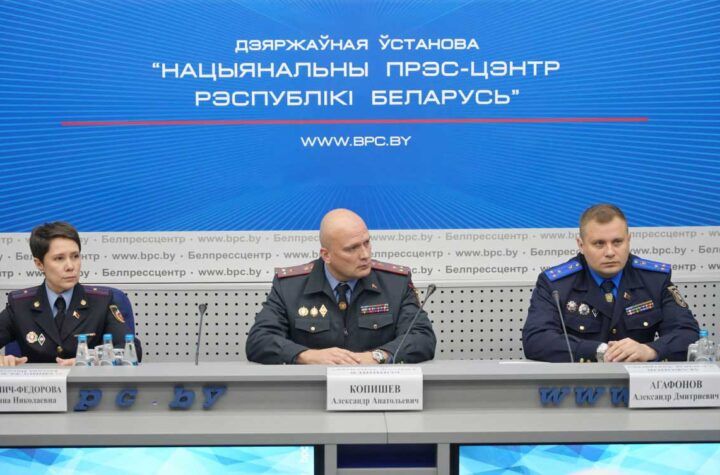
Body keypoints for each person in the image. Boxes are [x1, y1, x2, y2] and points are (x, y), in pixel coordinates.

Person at [246, 209, 436, 364]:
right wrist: (308, 356)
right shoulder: (289, 286)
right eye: (352, 248)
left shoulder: (395, 283)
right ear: (326, 255)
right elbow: (259, 340)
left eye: (366, 243)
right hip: (312, 389)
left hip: (378, 388)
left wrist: (378, 356)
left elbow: (422, 337)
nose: (365, 255)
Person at [523, 204, 699, 363]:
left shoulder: (654, 280)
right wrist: (599, 351)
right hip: (580, 384)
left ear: (628, 240)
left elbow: (687, 333)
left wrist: (649, 350)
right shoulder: (556, 285)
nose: (610, 252)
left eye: (617, 242)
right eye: (599, 244)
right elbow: (536, 340)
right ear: (581, 245)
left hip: (640, 382)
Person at [0, 222, 133, 366]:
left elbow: (131, 349)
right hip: (40, 381)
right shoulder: (20, 305)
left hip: (86, 380)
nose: (70, 266)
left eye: (75, 256)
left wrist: (92, 359)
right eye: (59, 258)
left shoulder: (102, 301)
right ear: (39, 264)